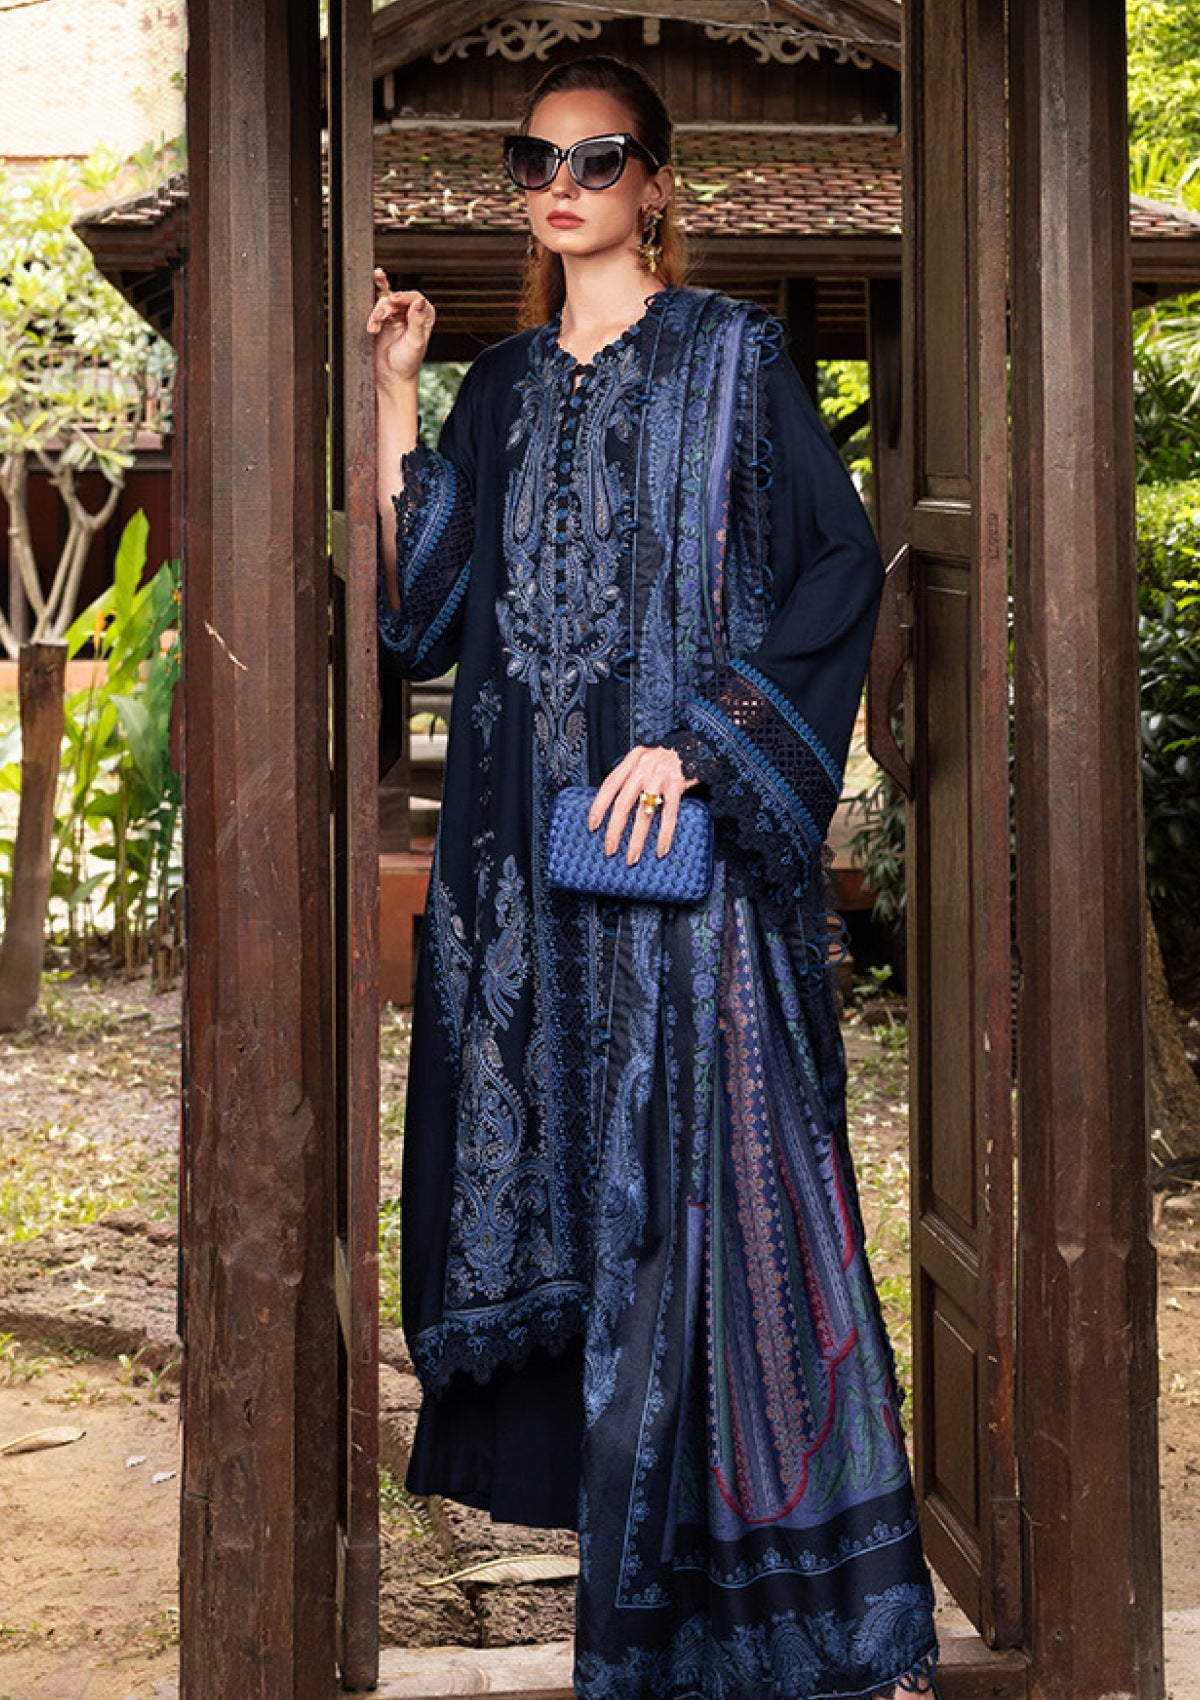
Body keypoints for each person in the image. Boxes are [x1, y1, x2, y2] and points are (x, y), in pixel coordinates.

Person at [370, 54, 939, 1700]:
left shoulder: (735, 358)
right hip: (531, 889)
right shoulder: (498, 387)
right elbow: (422, 618)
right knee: (590, 1227)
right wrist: (398, 396)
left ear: (658, 183)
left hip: (686, 885)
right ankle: (644, 1621)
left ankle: (827, 1627)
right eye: (536, 160)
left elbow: (837, 567)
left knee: (734, 1220)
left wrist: (697, 743)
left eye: (599, 157)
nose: (563, 184)